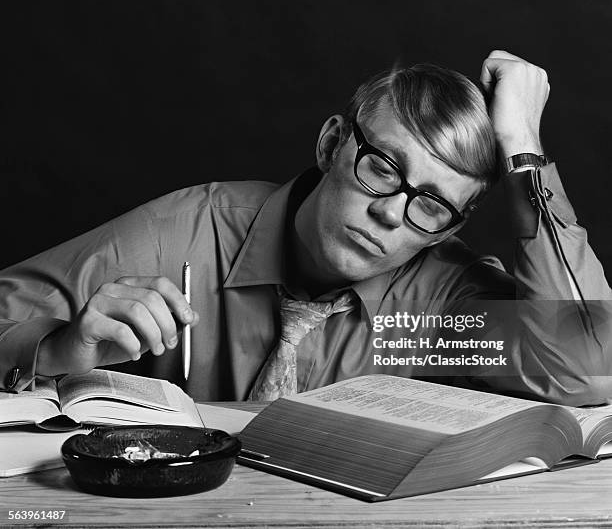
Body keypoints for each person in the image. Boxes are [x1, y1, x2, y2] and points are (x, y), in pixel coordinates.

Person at [1, 50, 611, 405]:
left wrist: (522, 151)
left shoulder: (443, 306)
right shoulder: (185, 230)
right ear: (331, 143)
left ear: (450, 225)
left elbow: (589, 367)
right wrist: (58, 348)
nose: (392, 213)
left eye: (431, 205)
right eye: (382, 168)